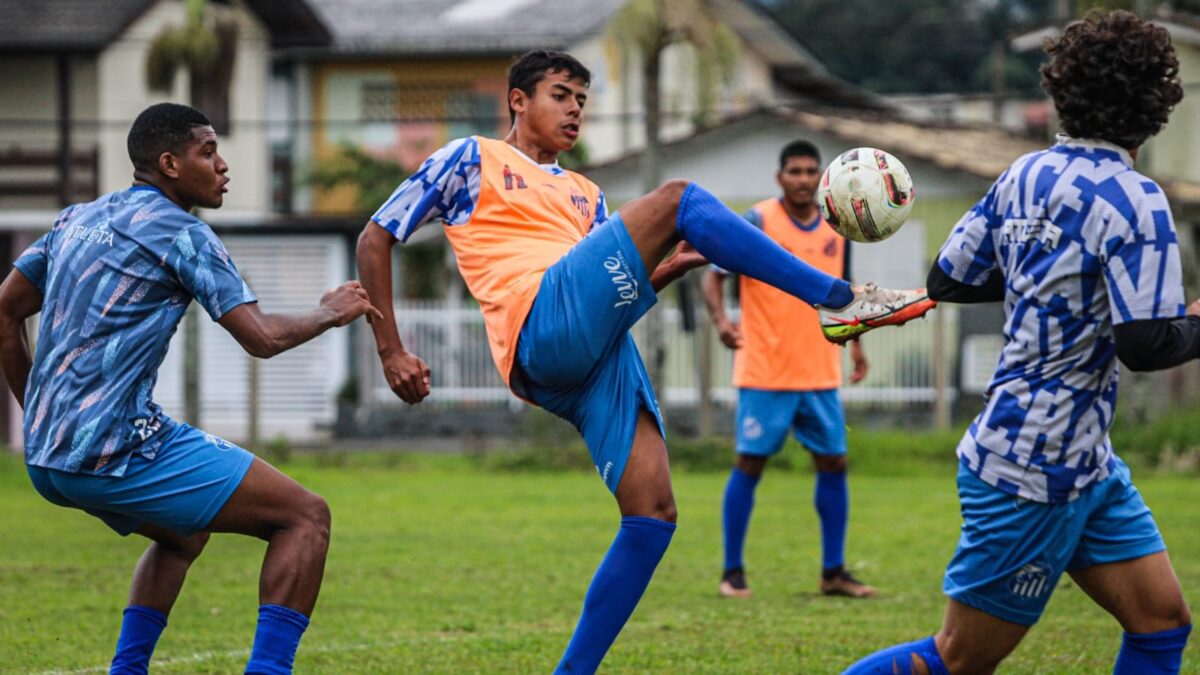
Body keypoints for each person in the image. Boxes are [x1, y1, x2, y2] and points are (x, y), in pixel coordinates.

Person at [356, 50, 934, 673]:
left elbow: (612, 300)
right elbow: (375, 236)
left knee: (653, 514)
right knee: (679, 197)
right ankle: (840, 300)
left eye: (582, 97)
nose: (575, 107)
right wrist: (390, 348)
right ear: (518, 101)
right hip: (537, 324)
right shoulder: (473, 159)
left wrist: (664, 272)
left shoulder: (586, 195)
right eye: (560, 94)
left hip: (587, 354)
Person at [843, 11, 1194, 674]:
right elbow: (1145, 344)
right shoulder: (1138, 200)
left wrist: (1048, 285)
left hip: (1083, 461)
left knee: (1160, 623)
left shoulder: (1026, 174)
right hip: (1033, 469)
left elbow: (948, 277)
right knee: (956, 659)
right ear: (1157, 102)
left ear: (1065, 90)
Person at [0, 102, 381, 675]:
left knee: (184, 534)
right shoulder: (185, 234)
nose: (223, 165)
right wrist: (328, 311)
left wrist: (40, 413)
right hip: (113, 448)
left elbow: (4, 310)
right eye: (209, 152)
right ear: (170, 163)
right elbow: (260, 338)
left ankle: (126, 671)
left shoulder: (77, 218)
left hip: (48, 457)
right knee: (305, 517)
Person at [702, 139, 875, 600]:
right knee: (750, 462)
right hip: (765, 371)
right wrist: (722, 322)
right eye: (794, 171)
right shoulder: (758, 221)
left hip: (819, 370)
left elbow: (845, 296)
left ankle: (834, 572)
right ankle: (732, 571)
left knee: (834, 462)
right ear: (780, 178)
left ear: (821, 179)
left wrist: (855, 347)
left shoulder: (838, 229)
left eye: (809, 172)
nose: (802, 179)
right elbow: (712, 276)